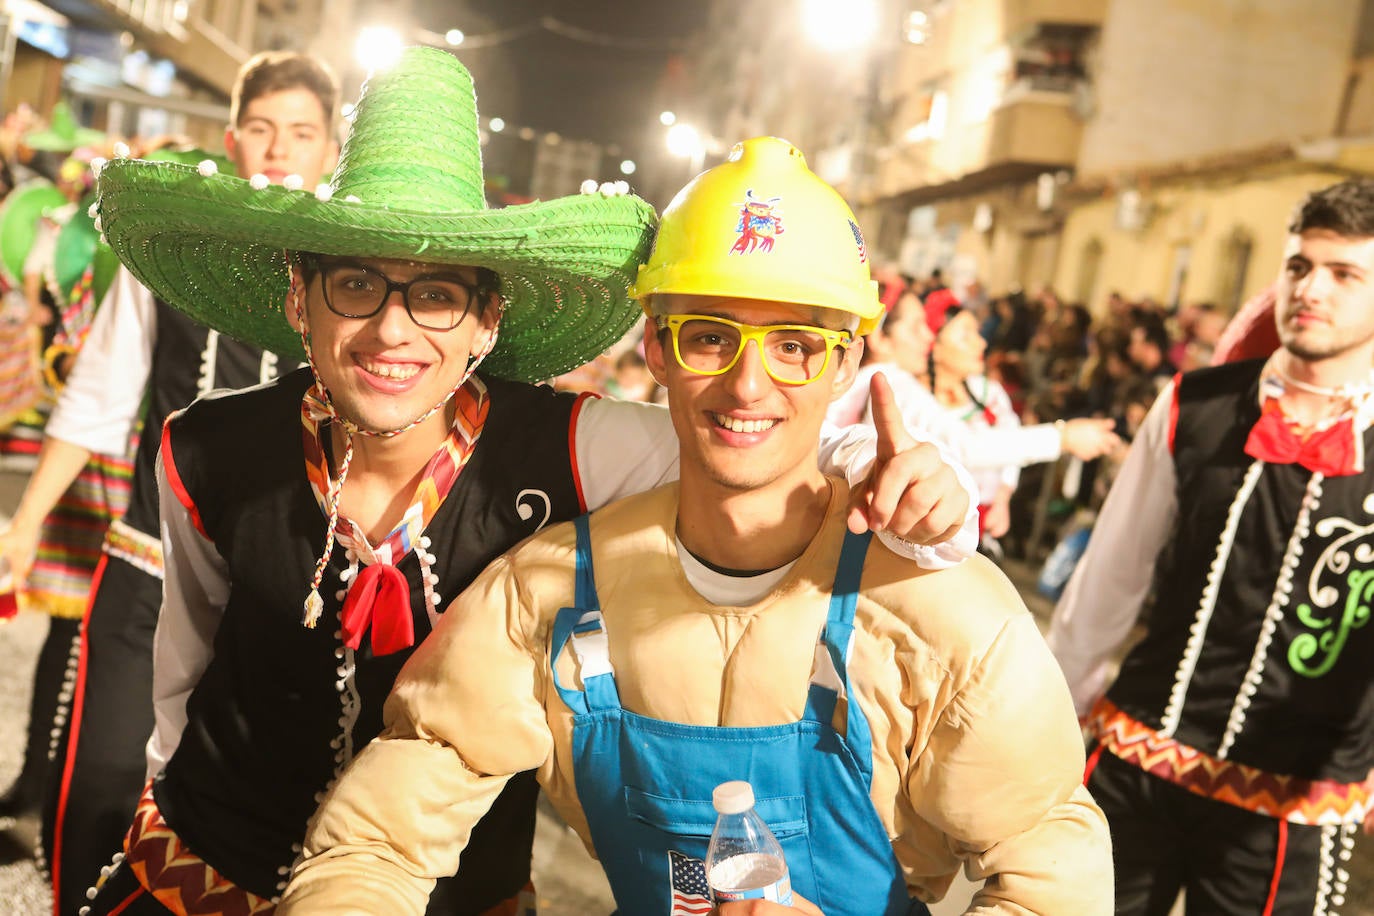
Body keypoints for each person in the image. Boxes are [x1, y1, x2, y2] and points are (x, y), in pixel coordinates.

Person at [85, 50, 978, 916]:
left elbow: (757, 444)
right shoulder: (204, 449)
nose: (393, 330)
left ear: (485, 318)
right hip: (201, 877)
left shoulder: (574, 447)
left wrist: (881, 470)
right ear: (298, 300)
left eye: (434, 294)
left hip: (455, 894)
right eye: (356, 283)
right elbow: (182, 675)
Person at [278, 135, 1111, 916]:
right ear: (658, 350)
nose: (748, 387)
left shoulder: (945, 614)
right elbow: (376, 841)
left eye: (795, 347)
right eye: (709, 338)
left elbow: (1055, 873)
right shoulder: (548, 594)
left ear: (848, 363)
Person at [0, 51, 341, 914]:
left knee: (252, 812)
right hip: (145, 560)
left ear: (331, 148)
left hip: (277, 587)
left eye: (301, 132)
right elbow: (98, 398)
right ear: (231, 139)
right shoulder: (166, 255)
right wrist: (25, 521)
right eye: (261, 129)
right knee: (101, 779)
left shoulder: (350, 269)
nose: (278, 149)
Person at [1047, 178, 1374, 913]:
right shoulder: (1195, 404)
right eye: (1298, 266)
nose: (1311, 289)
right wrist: (1049, 726)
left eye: (1345, 274)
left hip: (1297, 806)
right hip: (1136, 762)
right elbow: (1108, 583)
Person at [825, 289, 1120, 493]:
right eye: (916, 328)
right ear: (880, 339)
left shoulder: (860, 380)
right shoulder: (891, 383)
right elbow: (964, 447)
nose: (927, 336)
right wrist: (1062, 437)